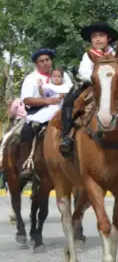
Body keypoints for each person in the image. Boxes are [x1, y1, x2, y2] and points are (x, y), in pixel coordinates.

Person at [58, 22, 118, 157]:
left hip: (115, 88)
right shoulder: (89, 54)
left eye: (101, 35)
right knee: (70, 101)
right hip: (93, 86)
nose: (97, 39)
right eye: (94, 36)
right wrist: (99, 79)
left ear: (109, 38)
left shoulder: (117, 54)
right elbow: (84, 72)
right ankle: (67, 137)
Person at [17, 49, 64, 181]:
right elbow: (26, 100)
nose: (45, 63)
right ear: (36, 64)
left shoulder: (60, 76)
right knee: (27, 129)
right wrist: (47, 101)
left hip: (60, 109)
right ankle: (26, 164)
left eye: (47, 60)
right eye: (41, 61)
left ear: (51, 61)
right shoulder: (31, 79)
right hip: (37, 110)